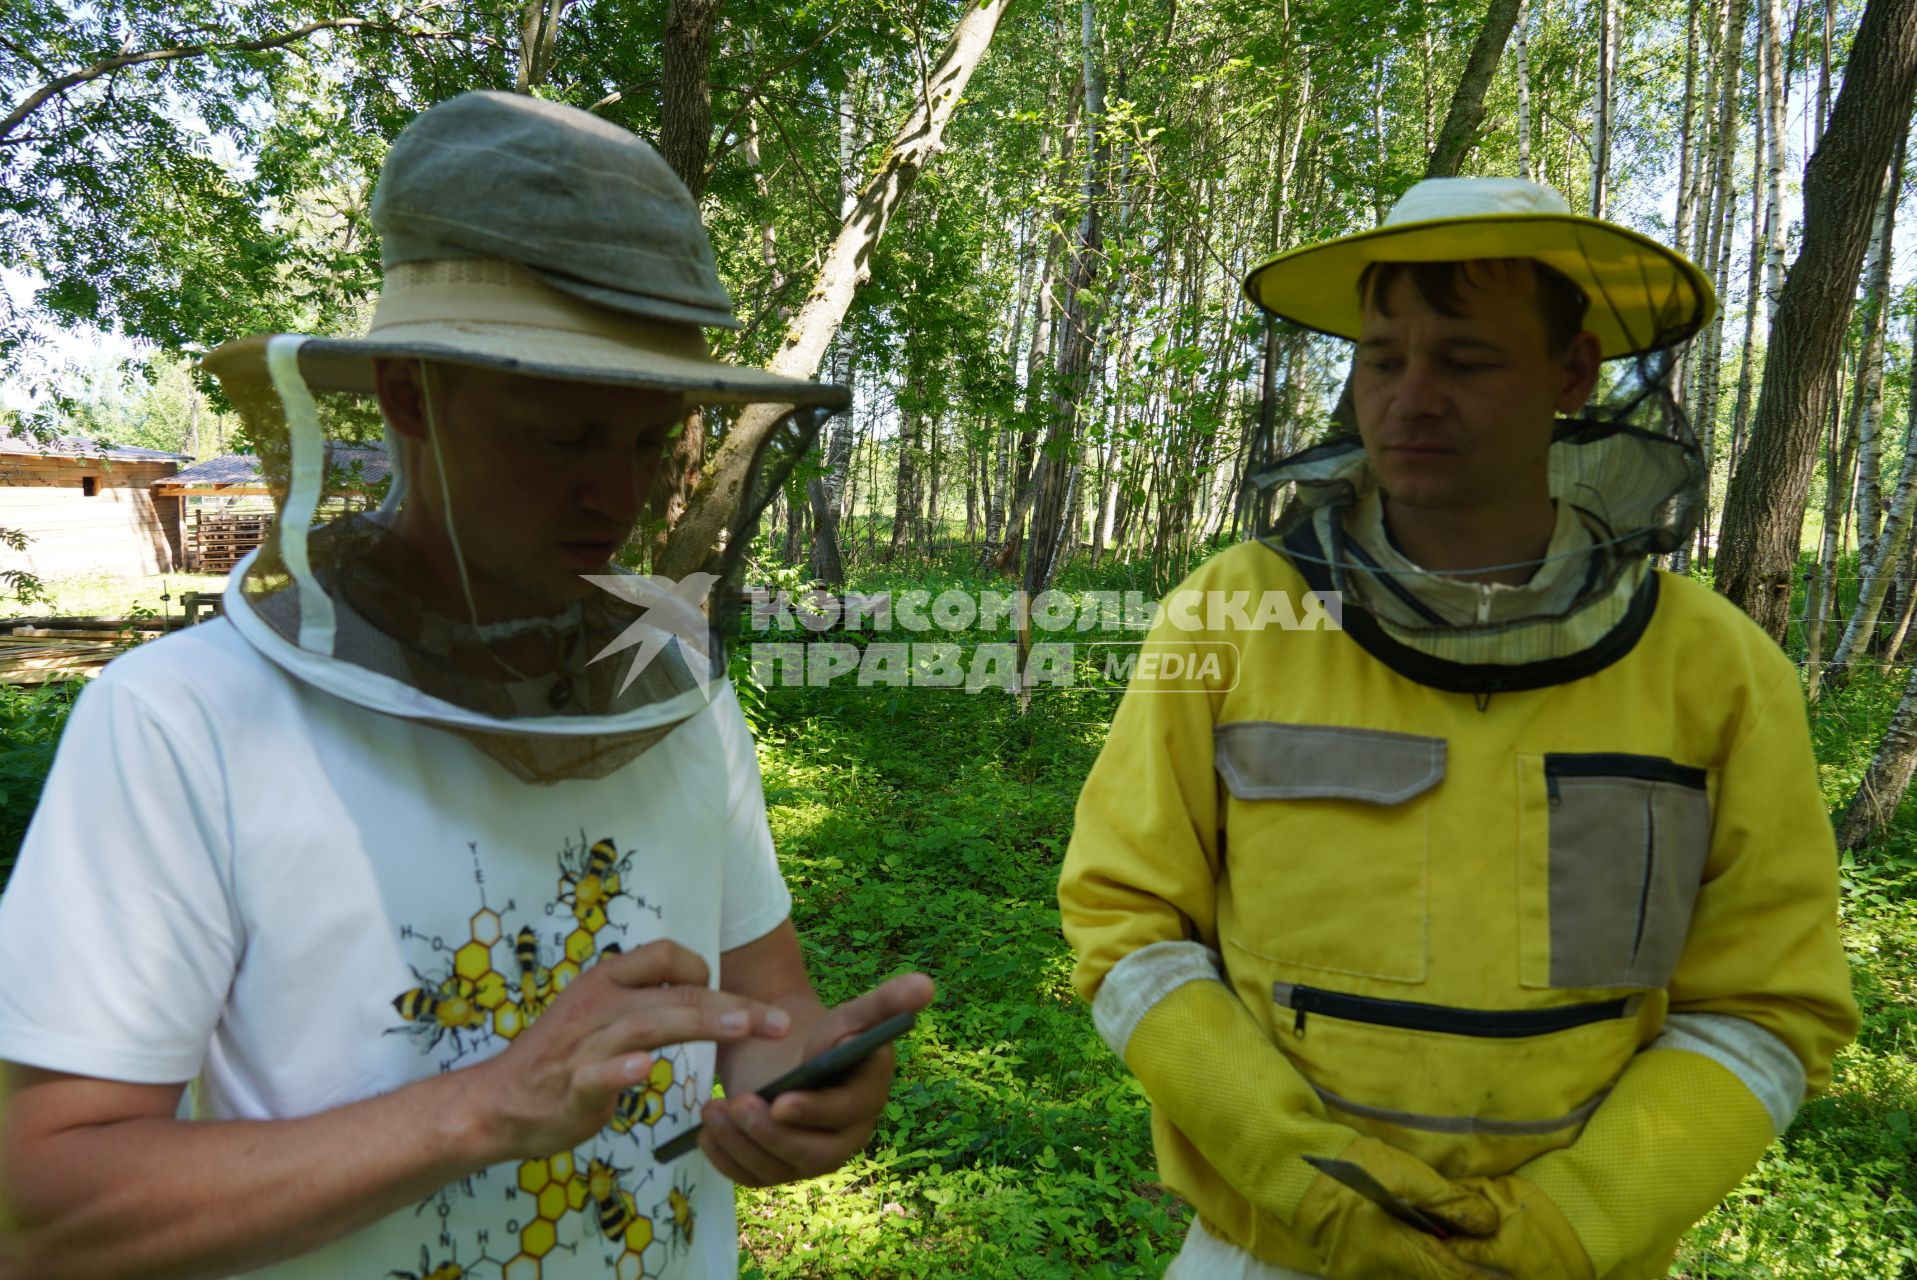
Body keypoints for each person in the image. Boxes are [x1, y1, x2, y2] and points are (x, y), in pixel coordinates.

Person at [0, 91, 932, 1280]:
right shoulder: (181, 720)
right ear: (404, 395)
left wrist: (799, 1087)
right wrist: (489, 1106)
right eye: (561, 434)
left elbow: (765, 1009)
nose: (616, 494)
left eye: (648, 442)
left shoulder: (665, 686)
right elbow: (47, 1213)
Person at [1057, 177, 1860, 1280]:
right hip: (1276, 1249)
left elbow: (1768, 1006)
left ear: (1571, 374)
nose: (1410, 398)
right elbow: (1126, 921)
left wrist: (1576, 1220)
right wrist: (1305, 1175)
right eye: (1382, 359)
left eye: (1466, 360)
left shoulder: (1717, 668)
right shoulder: (1234, 612)